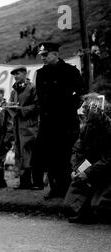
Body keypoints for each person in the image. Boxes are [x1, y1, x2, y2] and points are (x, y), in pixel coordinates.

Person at [35, 42, 85, 200]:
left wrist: (68, 106)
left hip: (66, 122)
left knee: (64, 156)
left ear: (55, 54)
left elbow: (81, 93)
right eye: (41, 55)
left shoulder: (70, 71)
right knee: (50, 157)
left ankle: (66, 189)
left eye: (45, 54)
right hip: (47, 123)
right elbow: (40, 98)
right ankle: (54, 189)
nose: (42, 58)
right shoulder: (41, 73)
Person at [64, 95, 111, 223]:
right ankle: (84, 210)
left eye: (86, 109)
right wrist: (76, 169)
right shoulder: (86, 128)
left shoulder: (108, 128)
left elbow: (107, 159)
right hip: (92, 164)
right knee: (69, 204)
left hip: (106, 168)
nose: (83, 112)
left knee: (99, 206)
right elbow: (77, 150)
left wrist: (88, 172)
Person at [8, 66, 43, 190]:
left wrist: (22, 110)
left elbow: (38, 105)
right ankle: (24, 183)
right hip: (18, 126)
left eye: (17, 74)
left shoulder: (32, 87)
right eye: (14, 74)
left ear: (24, 73)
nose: (15, 76)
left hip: (30, 126)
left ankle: (38, 183)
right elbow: (13, 104)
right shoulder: (14, 91)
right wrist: (11, 107)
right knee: (21, 154)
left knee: (32, 154)